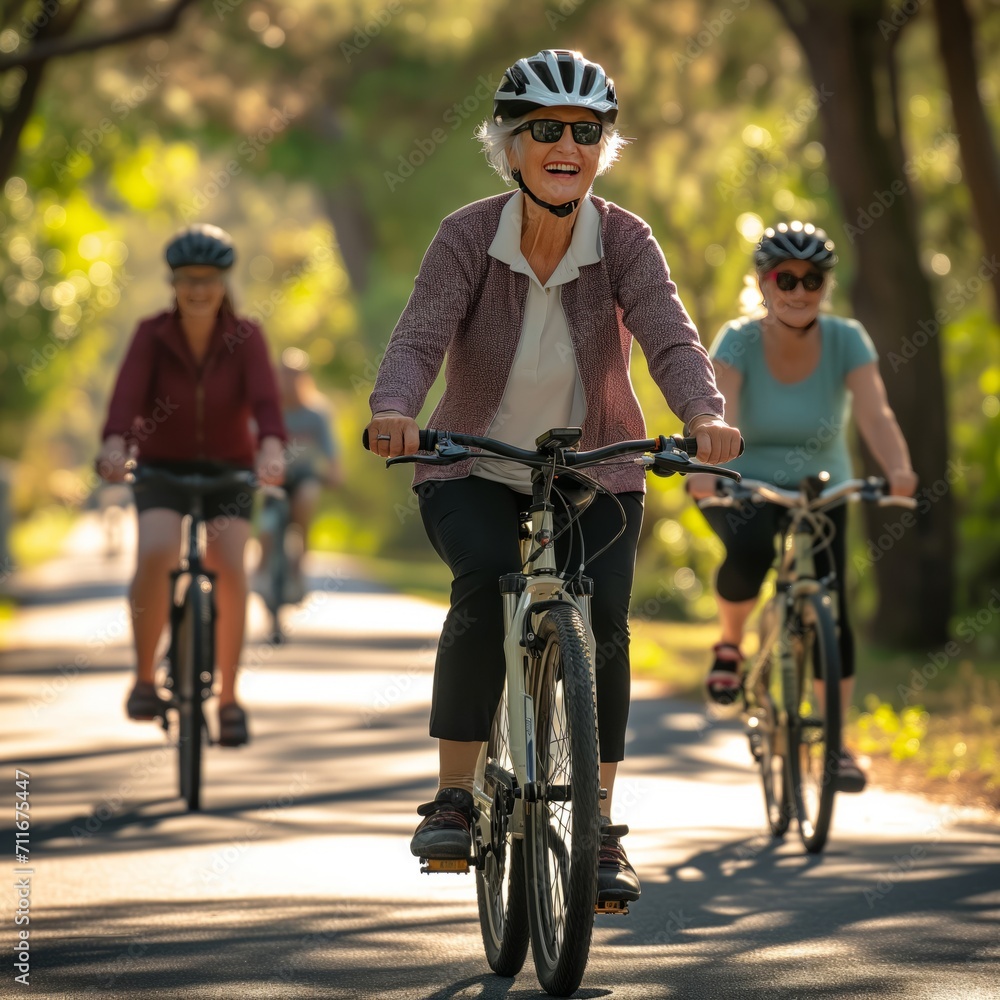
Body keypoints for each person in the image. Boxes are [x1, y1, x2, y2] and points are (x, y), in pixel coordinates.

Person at [365, 49, 742, 903]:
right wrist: (395, 410)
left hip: (595, 468)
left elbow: (670, 336)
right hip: (470, 461)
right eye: (545, 130)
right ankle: (456, 797)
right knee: (483, 580)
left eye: (586, 131)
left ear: (603, 147)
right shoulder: (466, 235)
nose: (566, 144)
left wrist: (706, 415)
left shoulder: (626, 240)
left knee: (603, 621)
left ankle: (600, 831)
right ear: (509, 142)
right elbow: (420, 336)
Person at [687, 221, 918, 788]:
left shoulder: (847, 339)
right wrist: (708, 475)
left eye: (810, 279)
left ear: (824, 285)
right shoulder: (738, 340)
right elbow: (723, 414)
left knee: (832, 605)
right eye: (783, 278)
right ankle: (729, 646)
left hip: (822, 484)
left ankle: (836, 744)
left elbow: (874, 413)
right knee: (751, 549)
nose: (797, 290)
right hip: (745, 481)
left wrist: (899, 470)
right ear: (763, 282)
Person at [97, 224, 286, 747]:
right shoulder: (150, 334)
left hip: (229, 470)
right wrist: (115, 443)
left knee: (228, 562)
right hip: (162, 469)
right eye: (187, 279)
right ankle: (141, 680)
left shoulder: (246, 337)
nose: (198, 289)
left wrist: (272, 446)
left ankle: (228, 699)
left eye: (208, 278)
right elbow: (126, 399)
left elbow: (268, 403)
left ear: (225, 281)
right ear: (173, 282)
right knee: (157, 550)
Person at [255, 347, 342, 604]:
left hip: (305, 476)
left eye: (294, 374)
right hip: (273, 479)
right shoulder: (267, 411)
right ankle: (260, 574)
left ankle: (297, 570)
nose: (289, 380)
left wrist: (335, 473)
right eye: (284, 374)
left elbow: (331, 453)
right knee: (268, 524)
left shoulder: (317, 413)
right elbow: (252, 445)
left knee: (307, 498)